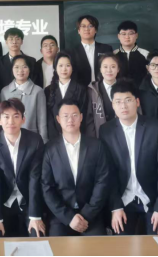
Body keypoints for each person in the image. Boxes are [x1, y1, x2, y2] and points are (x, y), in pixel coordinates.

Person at [100, 79, 158, 237]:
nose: (123, 106)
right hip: (123, 200)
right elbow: (108, 173)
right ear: (113, 105)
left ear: (137, 102)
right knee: (122, 245)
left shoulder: (156, 127)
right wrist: (115, 207)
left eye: (128, 100)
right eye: (118, 102)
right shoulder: (106, 131)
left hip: (152, 199)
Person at [42, 98, 110, 237]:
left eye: (74, 115)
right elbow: (47, 188)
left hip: (91, 215)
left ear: (81, 117)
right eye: (65, 116)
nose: (70, 120)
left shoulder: (96, 146)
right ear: (58, 119)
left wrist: (87, 214)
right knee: (57, 247)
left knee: (98, 246)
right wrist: (69, 218)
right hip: (61, 216)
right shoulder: (49, 149)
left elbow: (102, 182)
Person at [0, 99, 46, 239]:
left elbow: (34, 178)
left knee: (38, 236)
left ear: (23, 120)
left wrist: (35, 216)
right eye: (6, 117)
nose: (11, 121)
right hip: (4, 202)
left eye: (16, 116)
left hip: (28, 201)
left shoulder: (35, 141)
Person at [45, 52, 94, 141]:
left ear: (72, 68)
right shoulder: (48, 90)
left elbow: (84, 114)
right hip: (55, 138)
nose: (64, 69)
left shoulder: (81, 89)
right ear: (55, 68)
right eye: (60, 65)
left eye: (67, 65)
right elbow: (49, 118)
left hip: (76, 135)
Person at [0, 55, 48, 143]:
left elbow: (42, 120)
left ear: (29, 69)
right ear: (12, 70)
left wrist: (43, 141)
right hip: (10, 139)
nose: (20, 70)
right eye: (16, 67)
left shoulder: (38, 91)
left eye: (24, 67)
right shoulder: (5, 91)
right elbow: (3, 118)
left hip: (32, 139)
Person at [69, 15, 113, 88]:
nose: (87, 29)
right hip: (81, 90)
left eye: (90, 26)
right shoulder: (71, 52)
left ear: (96, 30)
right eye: (83, 26)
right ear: (78, 30)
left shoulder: (106, 49)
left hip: (103, 88)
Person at [88, 53, 123, 137]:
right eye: (105, 67)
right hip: (102, 135)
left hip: (122, 134)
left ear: (118, 69)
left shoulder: (126, 88)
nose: (109, 70)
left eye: (113, 67)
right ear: (100, 69)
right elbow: (89, 118)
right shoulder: (92, 90)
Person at [0, 28, 37, 93]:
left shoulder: (31, 61)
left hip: (27, 96)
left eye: (17, 39)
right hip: (4, 96)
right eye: (11, 39)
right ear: (6, 42)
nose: (14, 42)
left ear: (21, 41)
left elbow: (33, 81)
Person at [114, 21, 150, 88]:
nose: (127, 37)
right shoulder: (113, 55)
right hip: (119, 91)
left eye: (130, 33)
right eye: (123, 34)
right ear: (118, 36)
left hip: (141, 92)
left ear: (136, 35)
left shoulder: (146, 54)